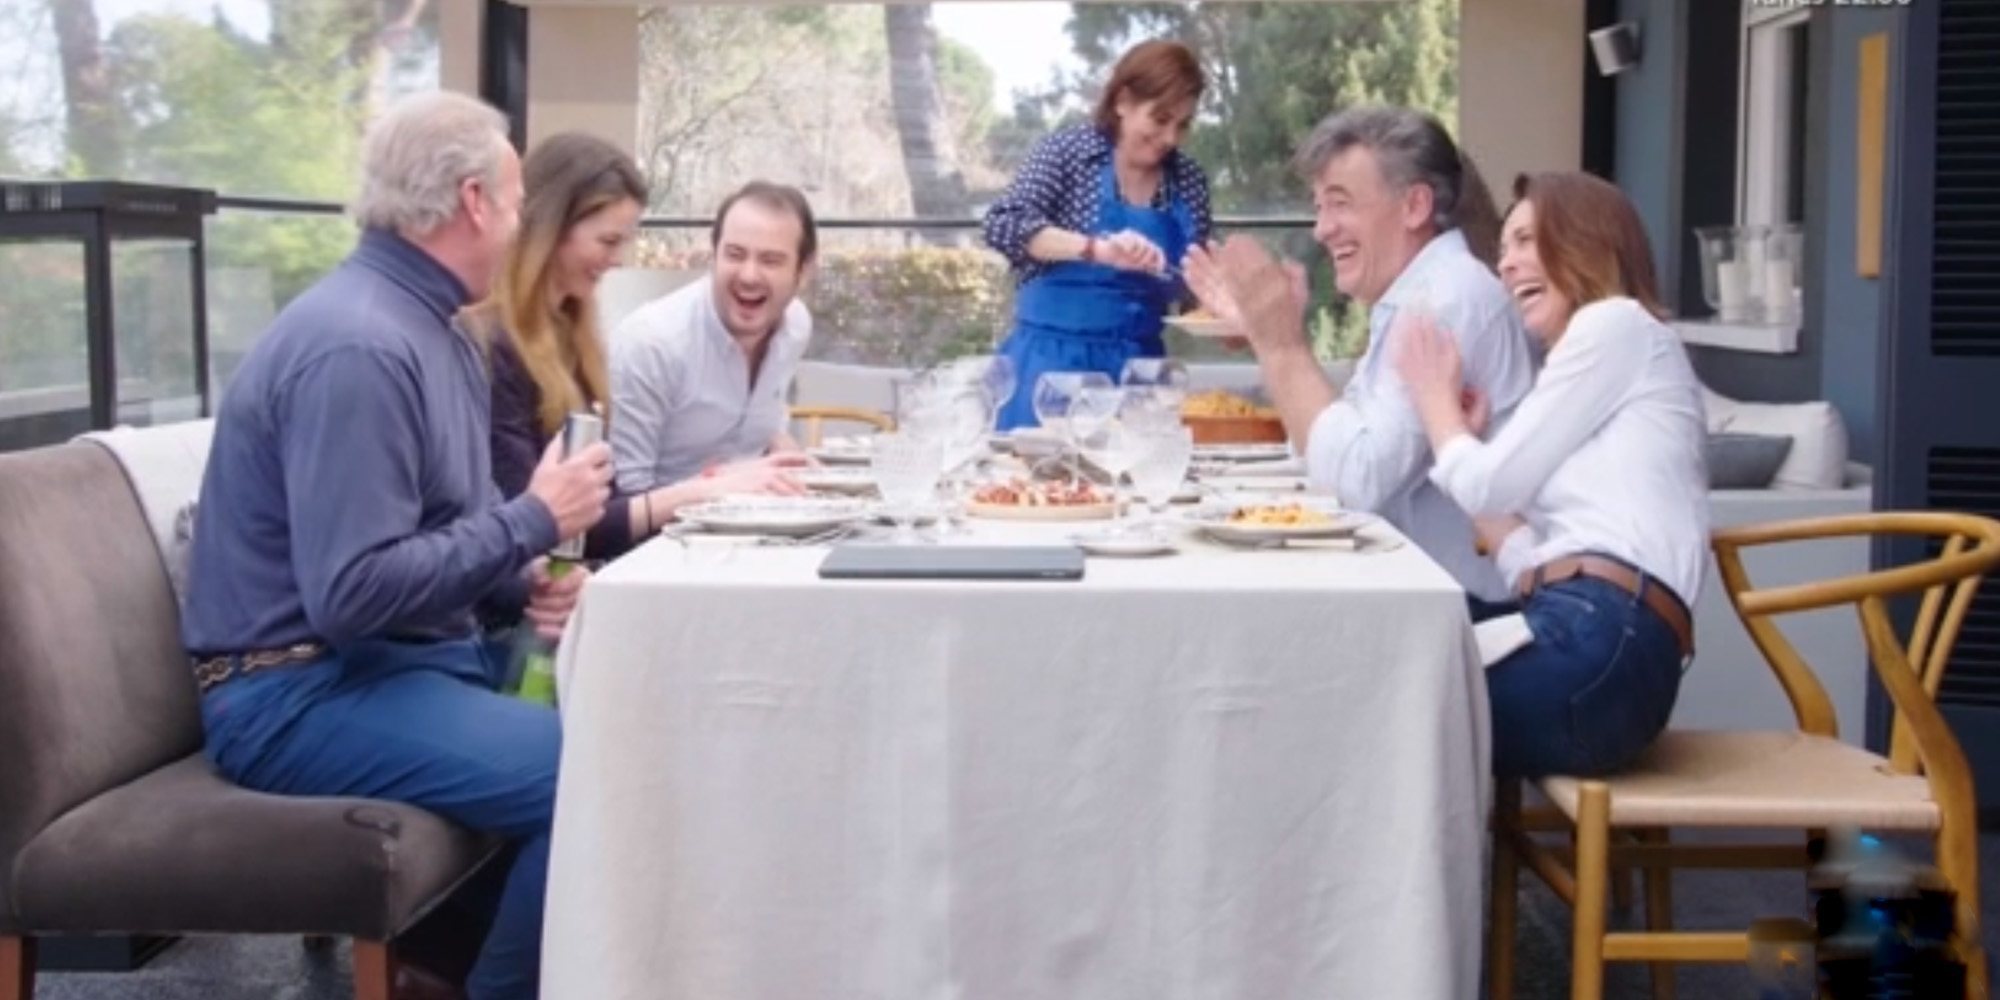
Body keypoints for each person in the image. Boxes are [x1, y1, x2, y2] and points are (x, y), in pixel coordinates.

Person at [180, 93, 611, 1000]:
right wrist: (533, 519)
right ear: (473, 201)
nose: (526, 219)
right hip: (293, 693)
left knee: (635, 716)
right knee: (593, 773)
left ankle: (460, 970)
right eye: (519, 195)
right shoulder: (361, 347)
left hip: (383, 666)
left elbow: (436, 537)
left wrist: (519, 574)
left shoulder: (435, 332)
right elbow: (352, 591)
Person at [1394, 171, 1708, 777]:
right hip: (1580, 633)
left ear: (1589, 243)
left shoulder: (1617, 326)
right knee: (1379, 627)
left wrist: (1434, 404)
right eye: (1503, 247)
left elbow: (1490, 484)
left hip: (1606, 649)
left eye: (1527, 241)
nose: (1506, 265)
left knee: (1375, 700)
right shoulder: (1593, 367)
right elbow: (1527, 563)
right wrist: (1465, 438)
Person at [1184, 105, 1534, 604]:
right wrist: (1271, 336)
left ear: (1414, 206)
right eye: (1319, 206)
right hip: (1420, 594)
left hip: (1465, 612)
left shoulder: (1444, 300)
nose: (1321, 229)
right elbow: (1335, 452)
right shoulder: (1422, 291)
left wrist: (1280, 341)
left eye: (1339, 203)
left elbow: (1355, 483)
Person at [464, 134, 806, 560]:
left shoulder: (573, 339)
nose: (619, 259)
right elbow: (534, 526)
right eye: (608, 242)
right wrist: (708, 491)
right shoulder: (494, 346)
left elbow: (592, 518)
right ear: (552, 232)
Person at [982, 38, 1213, 430]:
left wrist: (1238, 312)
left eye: (1183, 125)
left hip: (1139, 381)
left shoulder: (1188, 181)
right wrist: (1096, 249)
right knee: (1038, 490)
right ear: (1123, 101)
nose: (1171, 138)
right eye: (1160, 119)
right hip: (1046, 374)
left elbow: (1194, 298)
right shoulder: (1066, 154)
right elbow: (1003, 225)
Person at [608, 181, 818, 493]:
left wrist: (789, 457)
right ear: (714, 255)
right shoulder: (652, 343)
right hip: (662, 536)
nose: (748, 275)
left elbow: (762, 429)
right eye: (735, 255)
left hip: (759, 528)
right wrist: (723, 487)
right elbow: (625, 498)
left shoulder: (796, 325)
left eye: (770, 261)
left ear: (803, 270)